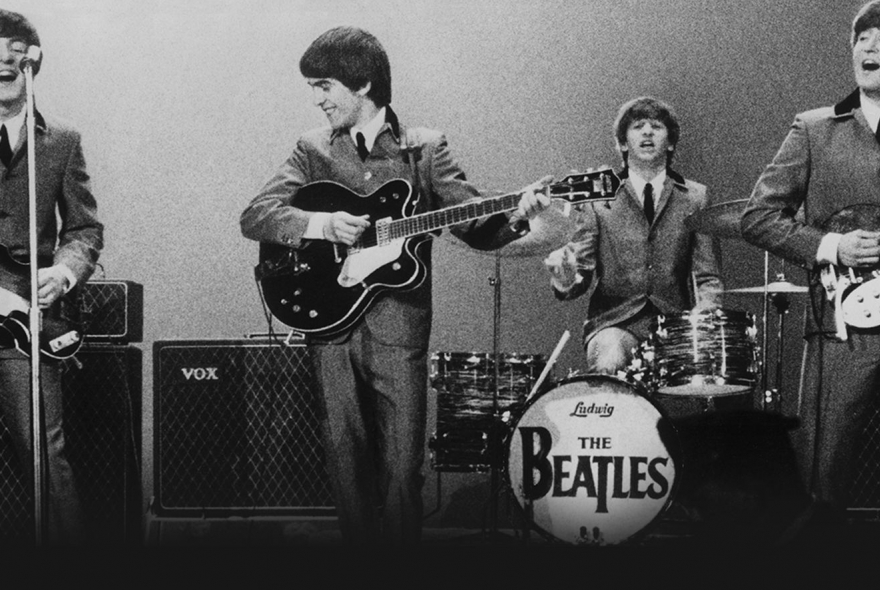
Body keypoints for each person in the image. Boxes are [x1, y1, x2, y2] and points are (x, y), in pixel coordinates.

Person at [239, 26, 549, 546]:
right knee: (344, 461)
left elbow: (473, 223)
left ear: (362, 84)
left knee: (403, 468)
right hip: (329, 325)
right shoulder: (312, 148)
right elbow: (256, 216)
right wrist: (321, 225)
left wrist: (518, 214)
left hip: (399, 327)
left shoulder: (424, 148)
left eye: (324, 86)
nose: (317, 100)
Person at [741, 0, 880, 516]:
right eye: (863, 37)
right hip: (843, 329)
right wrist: (830, 246)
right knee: (824, 475)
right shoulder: (816, 128)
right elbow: (758, 217)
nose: (872, 46)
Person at [0, 10, 103, 545]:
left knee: (44, 451)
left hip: (25, 324)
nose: (3, 58)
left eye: (15, 48)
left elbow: (84, 227)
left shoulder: (61, 139)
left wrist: (64, 271)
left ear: (32, 61)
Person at [543, 96, 724, 390]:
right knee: (610, 357)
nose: (647, 132)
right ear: (623, 144)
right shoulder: (598, 199)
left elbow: (707, 276)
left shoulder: (695, 197)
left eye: (656, 126)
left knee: (720, 376)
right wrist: (565, 278)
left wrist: (705, 316)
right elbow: (581, 274)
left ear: (670, 143)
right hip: (614, 322)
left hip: (674, 325)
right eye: (638, 126)